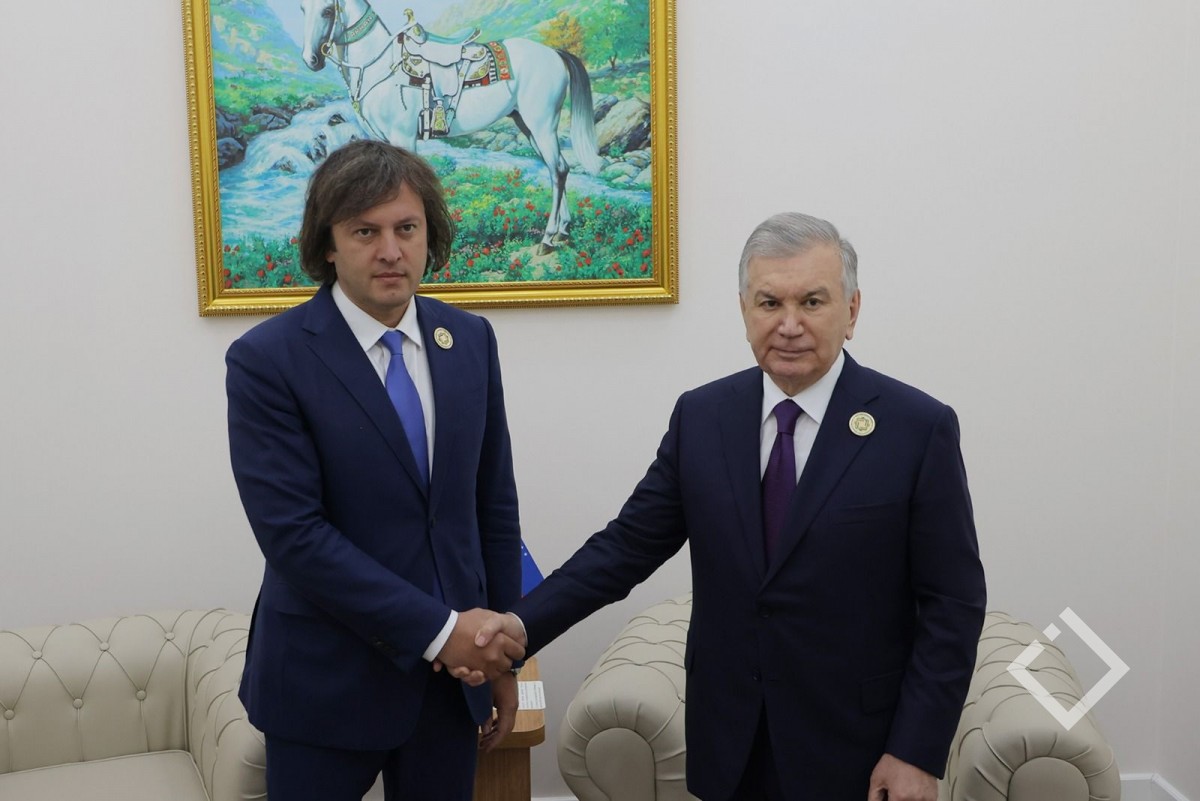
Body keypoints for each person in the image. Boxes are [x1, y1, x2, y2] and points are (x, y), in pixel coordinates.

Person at [474, 212, 987, 801]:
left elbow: (953, 604)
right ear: (744, 310)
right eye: (769, 303)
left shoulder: (916, 428)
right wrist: (519, 626)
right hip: (730, 744)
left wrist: (915, 751)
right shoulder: (703, 417)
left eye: (812, 302)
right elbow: (625, 548)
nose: (789, 325)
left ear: (851, 311)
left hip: (858, 749)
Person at [226, 138, 525, 801]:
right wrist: (442, 633)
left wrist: (505, 652)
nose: (391, 250)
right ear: (328, 244)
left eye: (406, 228)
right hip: (324, 685)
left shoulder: (469, 340)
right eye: (366, 231)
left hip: (452, 687)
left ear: (428, 236)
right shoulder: (267, 360)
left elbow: (493, 508)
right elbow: (295, 536)